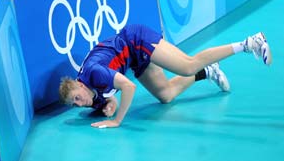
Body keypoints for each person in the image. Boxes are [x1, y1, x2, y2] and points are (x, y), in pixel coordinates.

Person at [59, 24, 272, 129]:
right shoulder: (88, 94)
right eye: (75, 104)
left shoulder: (94, 72)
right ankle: (208, 70)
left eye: (77, 98)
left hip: (136, 40)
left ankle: (249, 43)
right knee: (166, 95)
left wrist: (117, 120)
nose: (80, 103)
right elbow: (109, 96)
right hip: (133, 58)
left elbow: (128, 87)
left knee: (187, 66)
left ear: (79, 84)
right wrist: (109, 104)